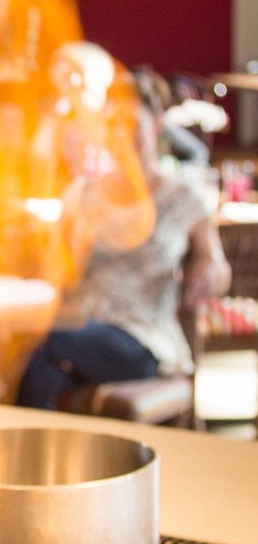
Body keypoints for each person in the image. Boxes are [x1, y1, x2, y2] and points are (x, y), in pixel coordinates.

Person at [18, 95, 229, 410]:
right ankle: (45, 452)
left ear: (156, 125)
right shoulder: (86, 194)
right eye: (114, 125)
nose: (123, 133)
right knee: (40, 373)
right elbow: (57, 266)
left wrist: (208, 268)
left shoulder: (183, 197)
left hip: (141, 338)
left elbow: (218, 267)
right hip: (78, 326)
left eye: (133, 124)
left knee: (35, 344)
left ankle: (24, 448)